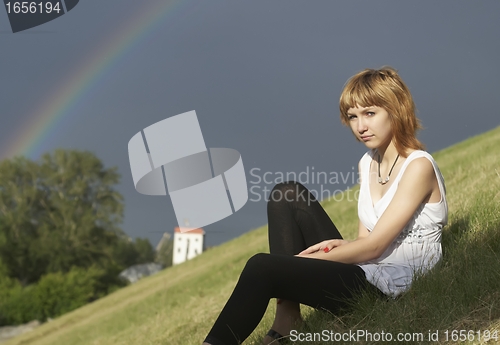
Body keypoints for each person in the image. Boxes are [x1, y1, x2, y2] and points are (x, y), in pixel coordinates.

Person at [202, 67, 448, 345]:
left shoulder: (418, 166)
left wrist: (295, 264)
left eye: (370, 113)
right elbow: (364, 240)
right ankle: (288, 320)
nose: (360, 126)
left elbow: (375, 247)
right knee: (287, 194)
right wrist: (340, 246)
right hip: (368, 269)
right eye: (353, 117)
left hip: (393, 283)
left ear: (396, 109)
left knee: (263, 266)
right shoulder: (368, 163)